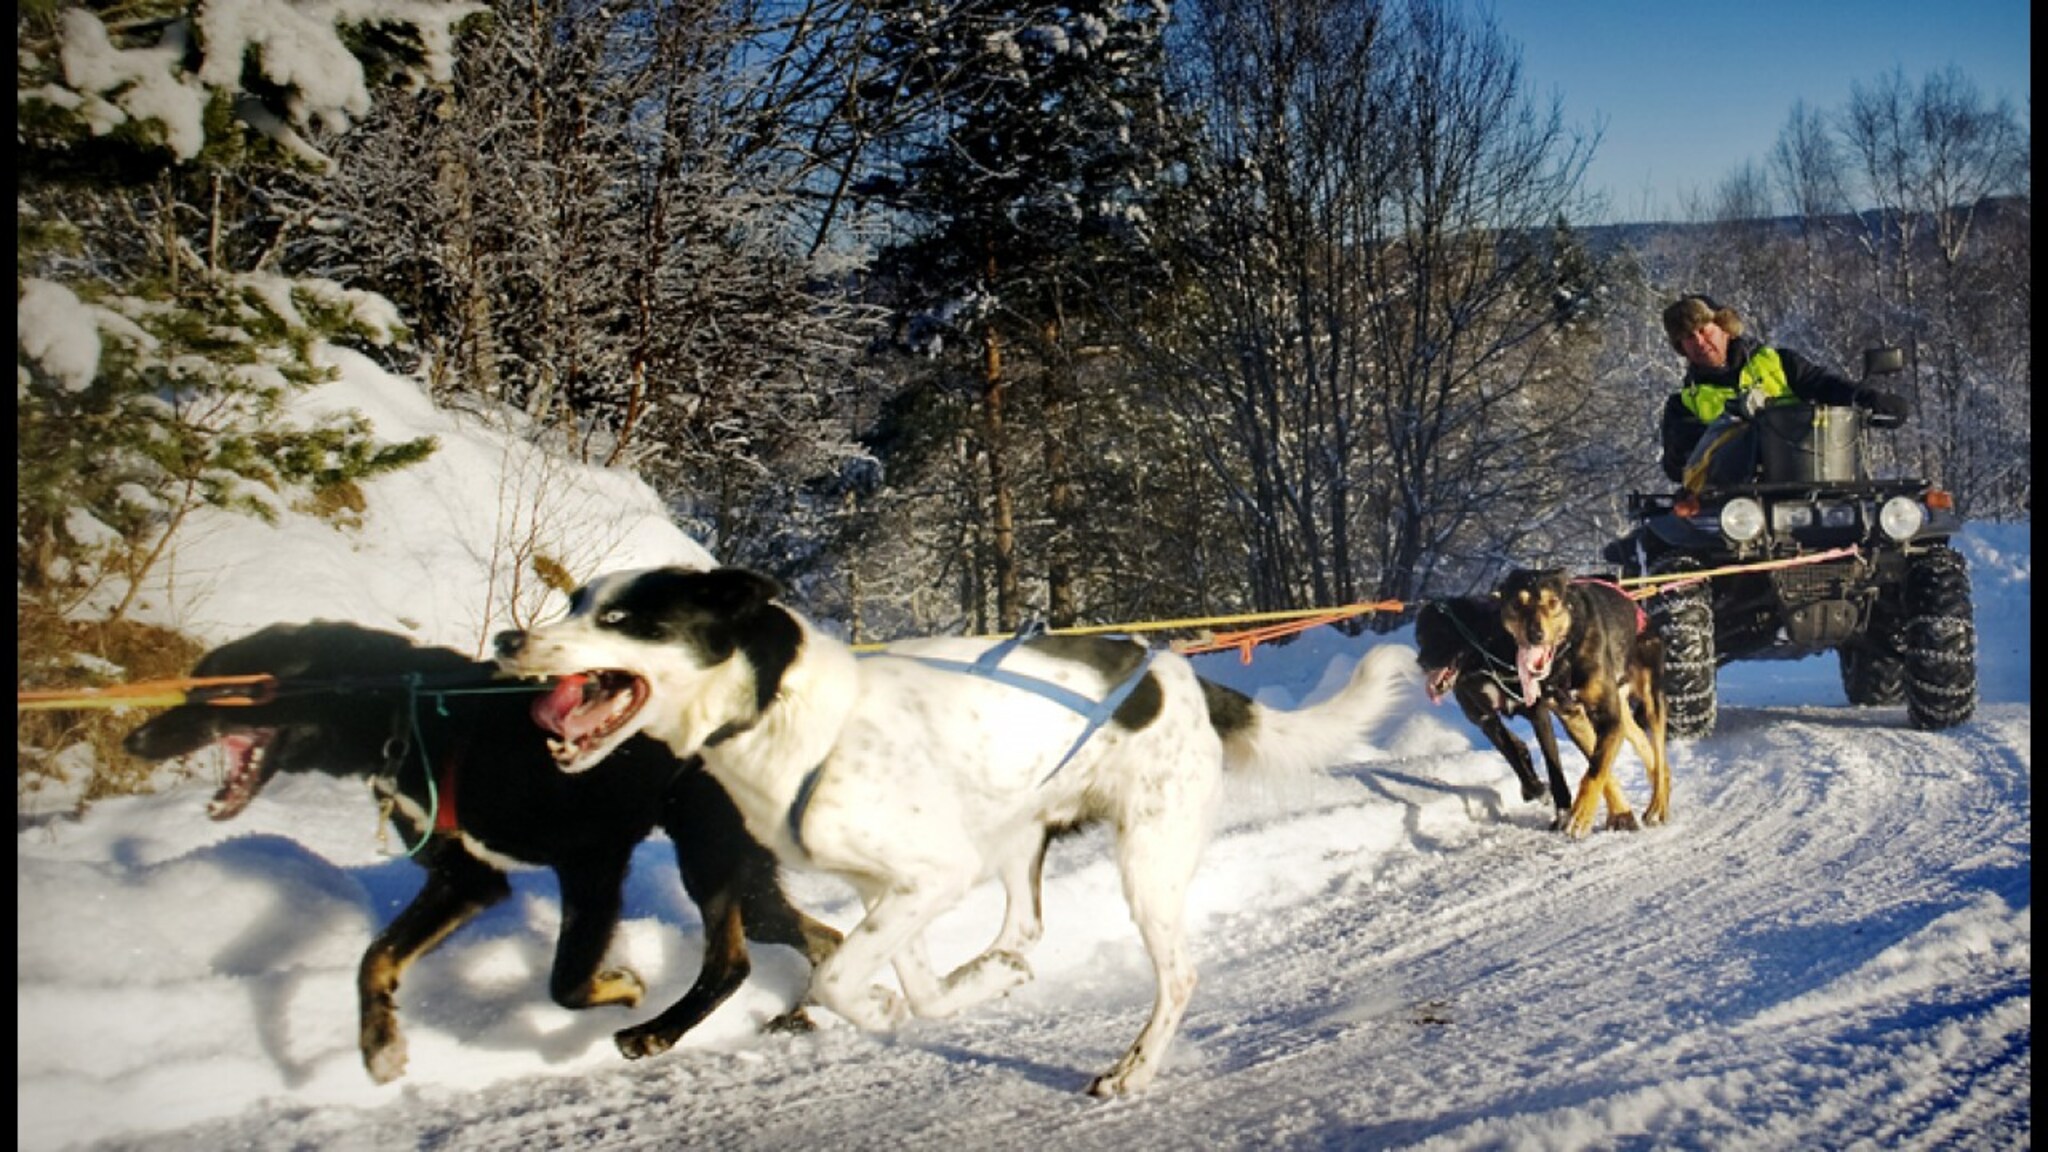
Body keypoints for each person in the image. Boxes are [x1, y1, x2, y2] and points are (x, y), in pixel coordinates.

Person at [1657, 295, 1910, 490]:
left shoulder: (1778, 362)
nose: (1700, 342)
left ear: (1724, 327)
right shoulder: (1685, 403)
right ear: (1682, 348)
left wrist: (1867, 399)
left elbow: (1824, 385)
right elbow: (1676, 467)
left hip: (1817, 477)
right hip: (1738, 503)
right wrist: (1690, 445)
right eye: (1688, 338)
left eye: (1704, 330)